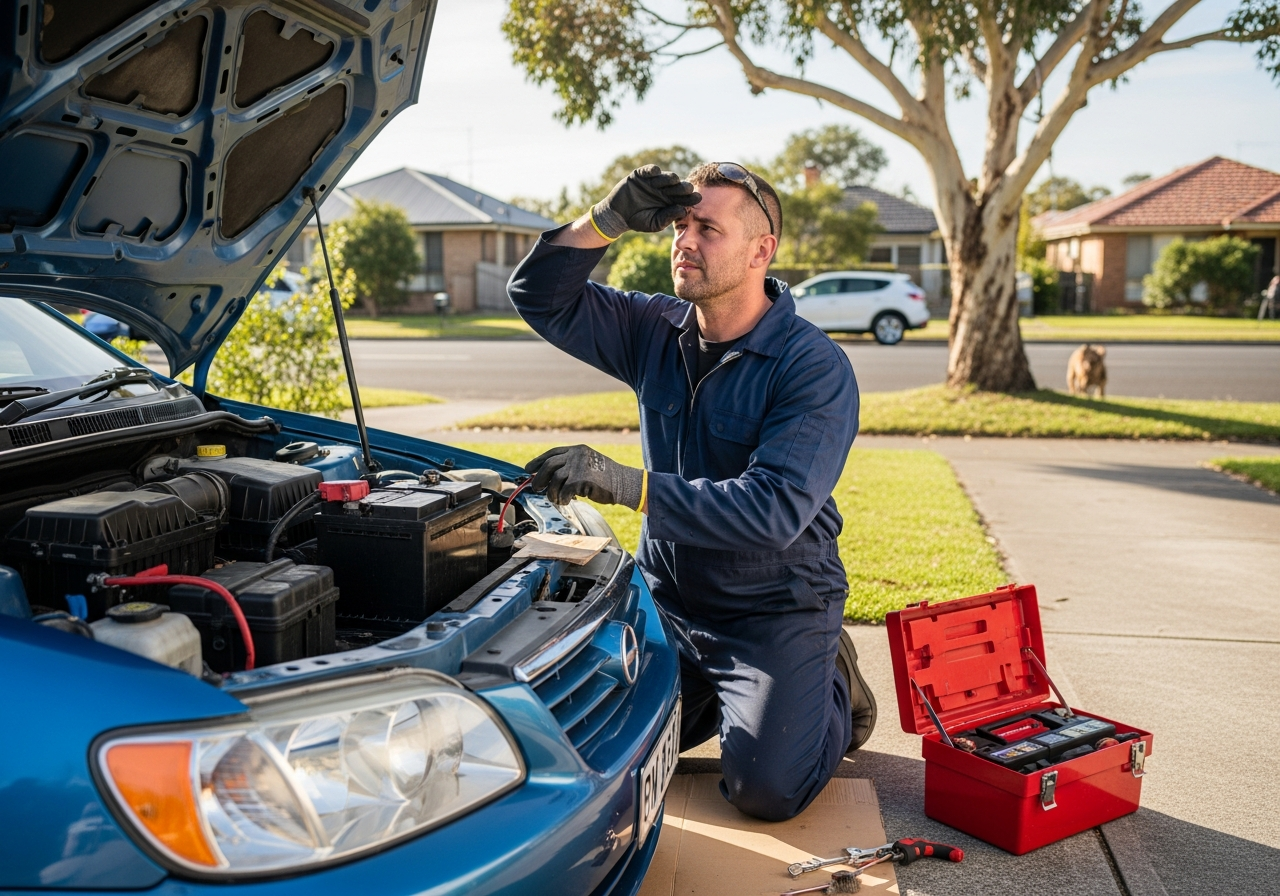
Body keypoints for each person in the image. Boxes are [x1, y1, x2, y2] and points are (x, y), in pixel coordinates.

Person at [507, 163, 876, 822]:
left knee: (766, 790)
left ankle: (832, 681)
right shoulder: (653, 328)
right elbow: (538, 295)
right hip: (670, 602)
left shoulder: (813, 367)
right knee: (589, 744)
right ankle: (709, 694)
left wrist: (625, 484)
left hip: (772, 609)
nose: (685, 241)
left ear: (761, 251)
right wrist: (607, 218)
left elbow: (774, 510)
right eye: (681, 226)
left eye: (708, 228)